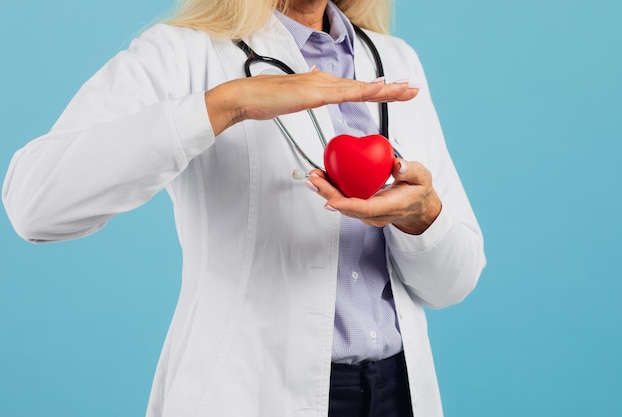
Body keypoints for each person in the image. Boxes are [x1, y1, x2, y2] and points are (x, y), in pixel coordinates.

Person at [2, 0, 486, 416]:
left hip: (396, 393)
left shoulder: (394, 60)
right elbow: (34, 204)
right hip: (250, 392)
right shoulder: (183, 52)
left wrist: (422, 216)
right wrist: (223, 105)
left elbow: (451, 285)